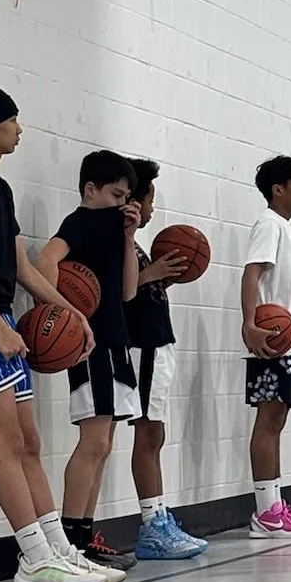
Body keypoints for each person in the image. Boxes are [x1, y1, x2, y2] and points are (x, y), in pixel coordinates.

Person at [0, 82, 111, 582]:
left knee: (31, 442)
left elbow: (23, 269)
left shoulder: (0, 187)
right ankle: (33, 557)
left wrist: (74, 313)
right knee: (7, 441)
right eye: (13, 120)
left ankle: (58, 551)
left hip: (3, 318)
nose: (20, 129)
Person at [35, 152, 148, 573]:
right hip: (90, 344)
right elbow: (44, 262)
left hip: (116, 339)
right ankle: (70, 541)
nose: (122, 203)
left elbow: (129, 292)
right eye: (116, 194)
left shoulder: (114, 228)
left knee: (104, 445)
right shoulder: (82, 221)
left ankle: (84, 536)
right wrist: (67, 314)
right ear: (90, 189)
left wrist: (129, 236)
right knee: (94, 442)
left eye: (126, 197)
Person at [124, 159, 206, 560]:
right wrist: (150, 274)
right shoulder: (120, 243)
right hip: (142, 346)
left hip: (157, 346)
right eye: (151, 199)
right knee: (147, 433)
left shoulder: (136, 246)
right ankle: (151, 526)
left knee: (155, 434)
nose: (153, 208)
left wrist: (159, 277)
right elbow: (117, 292)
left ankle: (158, 515)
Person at [241, 156, 291, 538]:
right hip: (270, 341)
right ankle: (266, 512)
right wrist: (250, 324)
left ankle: (273, 505)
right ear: (278, 189)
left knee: (277, 422)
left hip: (287, 345)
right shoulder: (269, 225)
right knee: (268, 422)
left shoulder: (286, 229)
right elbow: (251, 274)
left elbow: (289, 294)